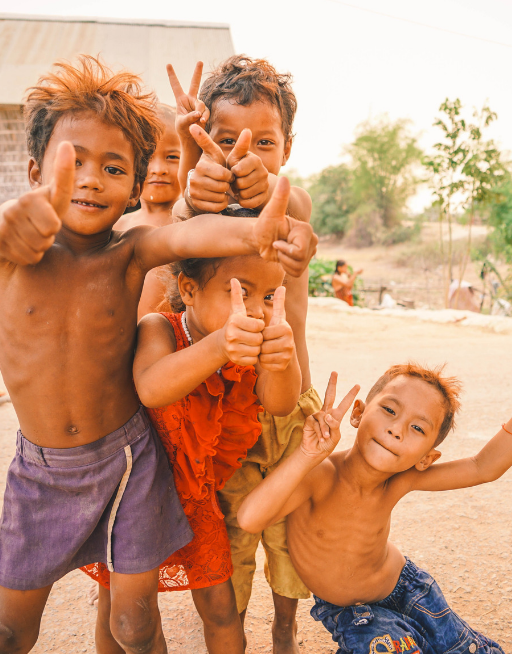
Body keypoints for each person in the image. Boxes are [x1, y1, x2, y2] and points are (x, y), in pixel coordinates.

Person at [0, 55, 316, 654]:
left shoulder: (130, 252)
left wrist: (268, 229)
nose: (88, 179)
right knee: (8, 632)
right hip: (42, 471)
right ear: (35, 171)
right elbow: (3, 228)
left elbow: (187, 234)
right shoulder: (16, 249)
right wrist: (16, 218)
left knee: (134, 622)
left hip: (129, 461)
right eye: (71, 163)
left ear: (134, 189)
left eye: (111, 168)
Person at [237, 363, 512, 654]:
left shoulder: (399, 480)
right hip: (352, 612)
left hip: (410, 589)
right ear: (358, 413)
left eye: (417, 428)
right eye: (389, 410)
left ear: (427, 458)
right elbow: (251, 518)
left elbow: (482, 466)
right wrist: (307, 455)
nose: (397, 429)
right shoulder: (320, 475)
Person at [169, 56, 318, 653]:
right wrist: (189, 178)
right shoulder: (200, 209)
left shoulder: (292, 203)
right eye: (226, 139)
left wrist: (275, 195)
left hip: (287, 408)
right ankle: (234, 633)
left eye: (265, 141)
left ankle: (285, 628)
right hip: (225, 417)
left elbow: (298, 215)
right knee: (231, 541)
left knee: (289, 535)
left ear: (287, 146)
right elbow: (177, 229)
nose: (243, 154)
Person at [84, 254, 300, 654]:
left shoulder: (259, 344)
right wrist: (221, 345)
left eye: (268, 296)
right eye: (240, 292)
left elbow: (281, 403)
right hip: (136, 497)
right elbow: (152, 386)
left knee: (221, 607)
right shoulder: (161, 327)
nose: (255, 309)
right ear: (189, 290)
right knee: (124, 612)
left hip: (196, 499)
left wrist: (283, 360)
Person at [113, 104, 182, 318]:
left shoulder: (189, 222)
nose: (158, 168)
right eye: (148, 158)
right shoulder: (117, 225)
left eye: (172, 157)